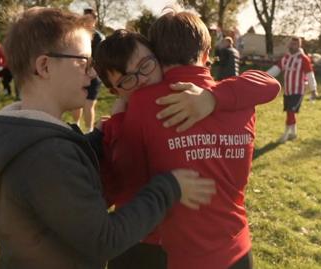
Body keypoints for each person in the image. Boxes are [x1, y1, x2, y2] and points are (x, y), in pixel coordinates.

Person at [0, 7, 216, 269]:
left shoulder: (28, 136)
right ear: (44, 66)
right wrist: (170, 187)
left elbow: (67, 189)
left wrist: (97, 139)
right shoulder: (47, 156)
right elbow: (105, 239)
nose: (92, 74)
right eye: (84, 62)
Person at [95, 9, 280, 269]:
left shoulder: (142, 104)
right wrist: (213, 97)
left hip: (173, 253)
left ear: (157, 56)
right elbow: (270, 84)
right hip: (237, 248)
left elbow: (123, 184)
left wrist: (114, 127)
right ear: (206, 55)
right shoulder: (242, 100)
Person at [267, 37, 318, 143]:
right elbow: (276, 69)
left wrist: (314, 89)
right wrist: (264, 77)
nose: (291, 46)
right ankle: (293, 133)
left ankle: (285, 135)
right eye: (291, 44)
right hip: (287, 91)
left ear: (299, 46)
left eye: (294, 44)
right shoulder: (286, 58)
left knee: (290, 111)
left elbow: (310, 74)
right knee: (289, 112)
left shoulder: (303, 59)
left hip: (298, 91)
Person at [72, 8, 104, 132]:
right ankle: (76, 127)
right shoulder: (77, 35)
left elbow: (101, 58)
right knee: (76, 103)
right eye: (84, 18)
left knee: (88, 105)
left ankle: (90, 131)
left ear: (94, 21)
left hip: (93, 76)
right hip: (78, 74)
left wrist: (94, 70)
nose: (86, 21)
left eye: (89, 19)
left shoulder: (99, 38)